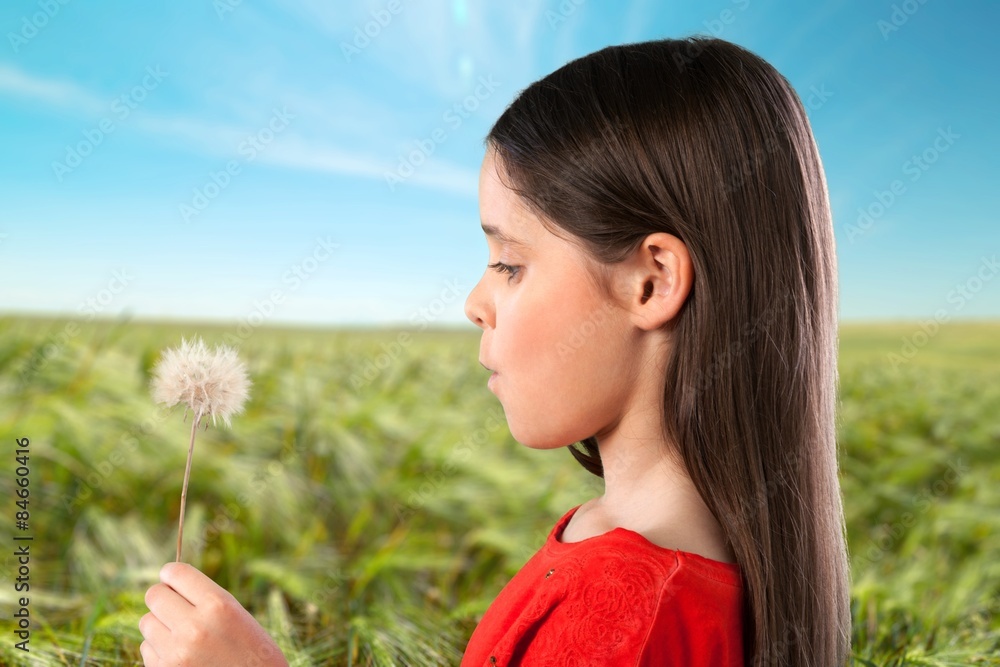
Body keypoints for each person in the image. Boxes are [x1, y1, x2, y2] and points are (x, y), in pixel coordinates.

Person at [139, 35, 850, 666]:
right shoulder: (623, 546)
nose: (475, 301)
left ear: (650, 281)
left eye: (510, 263)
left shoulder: (627, 618)